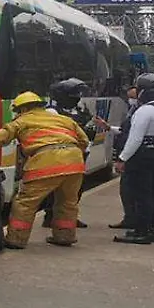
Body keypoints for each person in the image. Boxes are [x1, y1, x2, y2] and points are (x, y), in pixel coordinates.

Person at [0, 91, 88, 248]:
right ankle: (65, 236)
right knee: (67, 202)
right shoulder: (63, 119)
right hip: (74, 163)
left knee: (25, 202)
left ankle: (16, 239)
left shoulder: (21, 121)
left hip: (45, 161)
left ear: (23, 109)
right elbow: (84, 141)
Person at [113, 73, 154, 245]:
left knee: (141, 195)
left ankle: (141, 231)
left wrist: (122, 158)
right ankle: (152, 229)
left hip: (143, 157)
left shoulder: (145, 110)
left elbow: (135, 139)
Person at [42, 78, 97, 229]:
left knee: (75, 189)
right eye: (72, 95)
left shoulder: (79, 108)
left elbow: (88, 123)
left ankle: (69, 216)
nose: (76, 98)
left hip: (80, 153)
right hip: (59, 154)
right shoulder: (51, 111)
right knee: (55, 188)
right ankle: (51, 217)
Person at [107, 86, 138, 230]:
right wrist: (108, 127)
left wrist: (122, 159)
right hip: (130, 155)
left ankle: (133, 220)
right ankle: (130, 218)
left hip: (133, 158)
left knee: (130, 190)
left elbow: (134, 138)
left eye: (132, 97)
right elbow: (124, 131)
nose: (129, 100)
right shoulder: (134, 111)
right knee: (127, 190)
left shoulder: (140, 111)